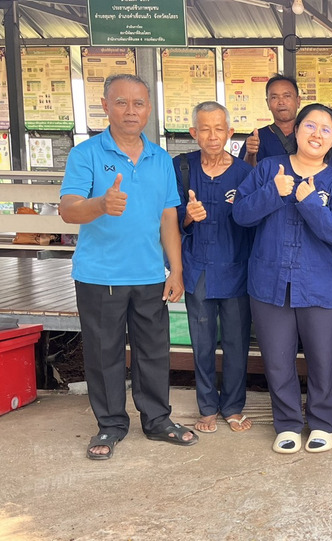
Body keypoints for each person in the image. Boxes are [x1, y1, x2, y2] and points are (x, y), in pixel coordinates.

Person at [60, 74, 195, 460]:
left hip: (150, 273)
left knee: (154, 351)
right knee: (104, 353)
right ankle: (110, 424)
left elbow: (168, 216)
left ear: (149, 109)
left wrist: (176, 270)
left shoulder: (160, 158)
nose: (130, 111)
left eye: (138, 103)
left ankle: (157, 419)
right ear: (105, 106)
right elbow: (68, 209)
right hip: (99, 275)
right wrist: (101, 204)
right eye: (121, 102)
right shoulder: (86, 154)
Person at [232, 104, 332, 454]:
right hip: (270, 283)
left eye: (326, 129)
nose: (317, 134)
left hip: (321, 287)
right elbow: (240, 214)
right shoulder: (269, 169)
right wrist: (273, 191)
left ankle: (322, 423)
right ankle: (286, 424)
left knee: (324, 360)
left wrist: (310, 202)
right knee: (277, 359)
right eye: (310, 126)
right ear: (297, 130)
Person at [174, 101, 254, 434]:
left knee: (236, 342)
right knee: (202, 341)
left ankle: (233, 407)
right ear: (193, 132)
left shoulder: (245, 174)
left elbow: (254, 221)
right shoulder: (182, 168)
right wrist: (188, 217)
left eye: (219, 128)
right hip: (198, 269)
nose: (212, 136)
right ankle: (207, 407)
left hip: (236, 269)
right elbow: (167, 218)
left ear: (230, 132)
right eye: (204, 129)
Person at [239, 75, 300, 167]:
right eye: (274, 97)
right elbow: (245, 172)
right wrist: (250, 155)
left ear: (298, 101)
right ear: (268, 103)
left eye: (287, 96)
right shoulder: (257, 138)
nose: (281, 102)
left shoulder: (310, 134)